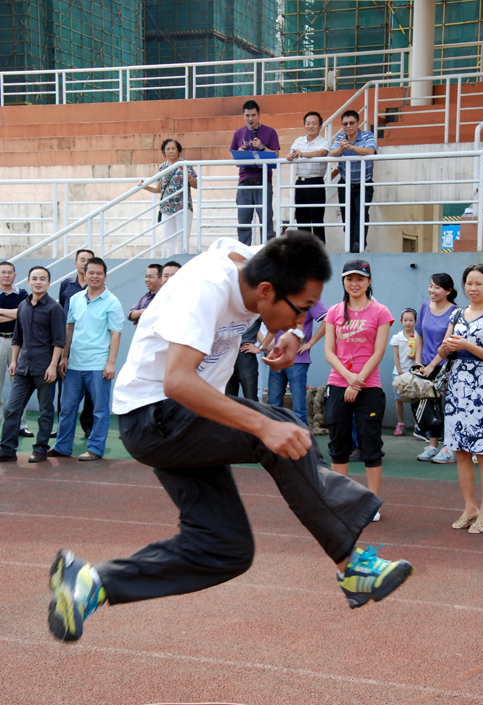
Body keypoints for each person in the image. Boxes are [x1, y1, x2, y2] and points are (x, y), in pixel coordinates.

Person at [47, 233, 413, 644]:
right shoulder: (205, 287)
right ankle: (352, 566)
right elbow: (177, 381)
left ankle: (91, 583)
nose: (302, 319)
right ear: (266, 291)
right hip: (154, 415)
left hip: (187, 421)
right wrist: (262, 427)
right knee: (281, 427)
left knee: (226, 548)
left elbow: (290, 275)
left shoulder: (257, 264)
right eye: (300, 310)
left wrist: (292, 333)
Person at [323, 259, 393, 522]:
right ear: (343, 281)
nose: (354, 284)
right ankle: (340, 500)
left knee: (370, 443)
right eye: (349, 279)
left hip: (368, 386)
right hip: (338, 383)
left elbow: (379, 352)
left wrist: (357, 381)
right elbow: (329, 352)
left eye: (360, 279)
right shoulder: (334, 312)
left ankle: (372, 503)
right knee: (338, 443)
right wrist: (348, 378)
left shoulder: (381, 312)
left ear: (369, 281)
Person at [438, 264, 483, 534]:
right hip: (457, 388)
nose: (472, 288)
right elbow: (443, 351)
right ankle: (469, 508)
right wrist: (446, 347)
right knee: (461, 452)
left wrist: (467, 346)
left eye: (478, 283)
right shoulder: (456, 313)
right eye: (469, 283)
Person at [48, 258, 124, 462]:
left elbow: (115, 334)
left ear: (105, 276)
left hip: (98, 364)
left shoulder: (112, 302)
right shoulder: (75, 299)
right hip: (74, 364)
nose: (95, 276)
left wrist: (111, 362)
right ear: (84, 274)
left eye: (99, 273)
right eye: (91, 272)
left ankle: (95, 449)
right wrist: (64, 356)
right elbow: (69, 327)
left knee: (99, 410)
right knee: (67, 409)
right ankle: (62, 446)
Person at [0, 267, 66, 463]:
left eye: (42, 279)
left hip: (45, 369)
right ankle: (7, 449)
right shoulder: (23, 306)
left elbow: (59, 341)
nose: (38, 282)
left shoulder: (54, 308)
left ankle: (40, 449)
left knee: (45, 411)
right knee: (12, 408)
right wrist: (14, 361)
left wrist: (53, 366)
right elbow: (17, 337)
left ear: (48, 283)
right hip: (23, 368)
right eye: (34, 279)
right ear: (28, 282)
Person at [415, 273, 457, 463]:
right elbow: (419, 335)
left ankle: (448, 448)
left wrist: (433, 365)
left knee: (448, 407)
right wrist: (418, 362)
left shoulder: (455, 312)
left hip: (445, 366)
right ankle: (433, 446)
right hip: (425, 365)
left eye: (437, 287)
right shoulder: (425, 306)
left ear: (448, 291)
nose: (432, 290)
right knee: (430, 407)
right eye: (431, 286)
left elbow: (448, 343)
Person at [266, 299, 328, 425]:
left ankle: (301, 437)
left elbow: (327, 319)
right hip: (277, 359)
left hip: (298, 360)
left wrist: (310, 343)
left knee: (298, 407)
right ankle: (273, 436)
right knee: (272, 405)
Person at [230, 100, 280, 245]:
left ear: (259, 115)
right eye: (247, 115)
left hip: (263, 180)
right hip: (244, 181)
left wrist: (262, 147)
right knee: (244, 220)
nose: (250, 118)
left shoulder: (270, 132)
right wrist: (239, 152)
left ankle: (267, 251)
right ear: (243, 115)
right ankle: (244, 250)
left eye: (253, 115)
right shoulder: (238, 133)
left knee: (266, 219)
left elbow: (276, 155)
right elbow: (233, 155)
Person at [58, 248, 95, 439]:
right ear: (75, 263)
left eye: (89, 260)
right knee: (63, 385)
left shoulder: (96, 286)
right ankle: (62, 426)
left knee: (90, 388)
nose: (84, 263)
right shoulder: (66, 284)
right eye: (82, 259)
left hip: (88, 344)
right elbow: (61, 311)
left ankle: (88, 425)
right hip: (66, 341)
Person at [328, 110, 376, 253]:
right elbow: (331, 153)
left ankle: (358, 245)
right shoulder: (340, 137)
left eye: (351, 123)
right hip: (345, 183)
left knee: (361, 214)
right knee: (347, 217)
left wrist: (351, 147)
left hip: (364, 184)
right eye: (345, 124)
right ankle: (350, 246)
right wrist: (341, 148)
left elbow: (371, 151)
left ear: (358, 123)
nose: (348, 126)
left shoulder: (367, 135)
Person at [139, 139, 197, 257]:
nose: (171, 151)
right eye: (168, 149)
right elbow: (159, 189)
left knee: (182, 239)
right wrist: (145, 186)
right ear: (164, 152)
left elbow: (196, 185)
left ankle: (181, 262)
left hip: (182, 207)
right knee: (168, 240)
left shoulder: (185, 165)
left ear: (178, 150)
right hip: (166, 208)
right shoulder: (162, 167)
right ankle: (169, 263)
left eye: (173, 148)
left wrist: (188, 176)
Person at [286, 111, 329, 243]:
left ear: (320, 126)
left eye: (314, 123)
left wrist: (303, 154)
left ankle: (319, 250)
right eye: (308, 123)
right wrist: (291, 155)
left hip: (316, 183)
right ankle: (304, 251)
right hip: (301, 183)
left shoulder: (324, 142)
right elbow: (290, 154)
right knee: (302, 220)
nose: (311, 126)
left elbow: (321, 153)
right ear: (304, 125)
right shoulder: (299, 141)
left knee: (317, 220)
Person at [0, 260, 30, 437]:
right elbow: (18, 314)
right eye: (3, 272)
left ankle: (21, 425)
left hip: (17, 342)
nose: (6, 275)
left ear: (15, 275)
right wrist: (14, 314)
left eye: (9, 272)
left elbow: (24, 313)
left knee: (19, 386)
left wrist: (2, 312)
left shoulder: (23, 294)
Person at [390, 308, 417, 436]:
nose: (408, 323)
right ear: (401, 321)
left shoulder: (418, 337)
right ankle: (400, 424)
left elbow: (420, 353)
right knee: (399, 399)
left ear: (415, 321)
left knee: (415, 399)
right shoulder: (397, 337)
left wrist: (415, 357)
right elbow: (396, 355)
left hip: (414, 374)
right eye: (405, 320)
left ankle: (417, 425)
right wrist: (399, 370)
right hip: (399, 373)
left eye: (411, 320)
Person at [225, 318, 262, 402]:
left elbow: (275, 324)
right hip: (227, 354)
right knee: (228, 398)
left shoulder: (255, 311)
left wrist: (261, 347)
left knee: (250, 397)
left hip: (245, 355)